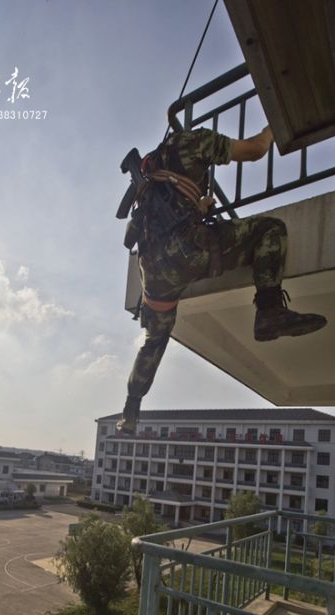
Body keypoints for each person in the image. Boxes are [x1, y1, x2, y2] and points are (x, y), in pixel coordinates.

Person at [116, 124, 327, 434]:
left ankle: (130, 409)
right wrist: (273, 128)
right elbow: (255, 150)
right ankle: (269, 310)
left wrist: (196, 208)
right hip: (189, 251)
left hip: (153, 271)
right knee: (270, 230)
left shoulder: (152, 170)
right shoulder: (198, 140)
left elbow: (128, 238)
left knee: (154, 341)